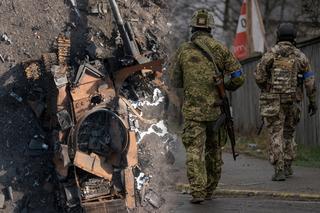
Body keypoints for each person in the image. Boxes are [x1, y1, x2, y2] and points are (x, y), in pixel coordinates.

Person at [169, 9, 244, 203]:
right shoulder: (219, 49)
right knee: (214, 151)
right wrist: (224, 85)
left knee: (194, 151)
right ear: (210, 27)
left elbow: (175, 80)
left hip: (193, 112)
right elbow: (239, 77)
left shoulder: (183, 50)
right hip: (216, 111)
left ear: (193, 27)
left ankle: (198, 192)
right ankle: (210, 189)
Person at [254, 23, 317, 181]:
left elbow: (259, 76)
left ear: (278, 36)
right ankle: (288, 166)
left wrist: (267, 86)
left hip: (273, 100)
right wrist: (313, 101)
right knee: (289, 133)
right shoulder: (300, 56)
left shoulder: (270, 54)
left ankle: (279, 169)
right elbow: (310, 81)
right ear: (294, 37)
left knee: (276, 133)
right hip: (293, 101)